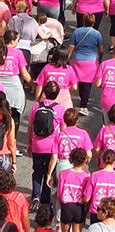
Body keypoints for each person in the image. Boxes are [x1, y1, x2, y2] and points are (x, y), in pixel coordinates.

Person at [27, 81, 66, 209]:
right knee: (49, 172)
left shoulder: (37, 106)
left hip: (37, 145)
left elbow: (30, 126)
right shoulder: (60, 109)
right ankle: (45, 199)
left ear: (44, 92)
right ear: (57, 94)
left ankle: (35, 196)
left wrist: (29, 143)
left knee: (37, 171)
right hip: (52, 147)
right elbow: (63, 129)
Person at [67, 13, 103, 116]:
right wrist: (99, 59)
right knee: (87, 84)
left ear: (84, 21)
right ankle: (83, 105)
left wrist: (68, 58)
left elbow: (71, 47)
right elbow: (100, 50)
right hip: (91, 61)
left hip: (77, 59)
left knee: (74, 81)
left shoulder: (77, 32)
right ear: (93, 22)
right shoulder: (97, 34)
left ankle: (67, 101)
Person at [46, 108, 93, 184]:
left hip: (62, 165)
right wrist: (84, 163)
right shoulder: (83, 133)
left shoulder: (59, 135)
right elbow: (89, 154)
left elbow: (54, 157)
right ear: (77, 121)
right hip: (79, 165)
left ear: (64, 120)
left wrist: (49, 174)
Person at [84, 150, 115, 224]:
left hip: (98, 211)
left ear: (103, 160)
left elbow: (87, 198)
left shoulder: (95, 175)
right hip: (114, 212)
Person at [0, 31, 33, 134]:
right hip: (14, 86)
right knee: (15, 115)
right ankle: (12, 139)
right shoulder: (18, 53)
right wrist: (33, 85)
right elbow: (24, 74)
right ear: (12, 41)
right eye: (17, 40)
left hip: (1, 85)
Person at [56, 147, 89, 232]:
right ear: (84, 160)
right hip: (79, 207)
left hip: (66, 206)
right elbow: (87, 196)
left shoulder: (63, 174)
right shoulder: (86, 177)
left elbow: (59, 193)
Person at [0, 92, 16, 172]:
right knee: (4, 182)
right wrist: (14, 162)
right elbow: (12, 143)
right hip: (3, 156)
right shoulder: (8, 119)